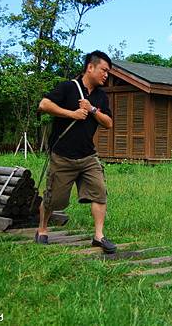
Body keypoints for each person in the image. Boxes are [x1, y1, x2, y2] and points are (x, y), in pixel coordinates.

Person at [35, 50, 116, 253]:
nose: (106, 75)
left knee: (99, 192)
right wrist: (71, 113)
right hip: (63, 155)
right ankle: (42, 230)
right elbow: (43, 104)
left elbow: (109, 123)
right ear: (90, 67)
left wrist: (92, 110)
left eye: (108, 72)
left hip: (88, 155)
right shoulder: (68, 87)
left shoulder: (100, 96)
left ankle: (98, 236)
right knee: (54, 199)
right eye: (104, 70)